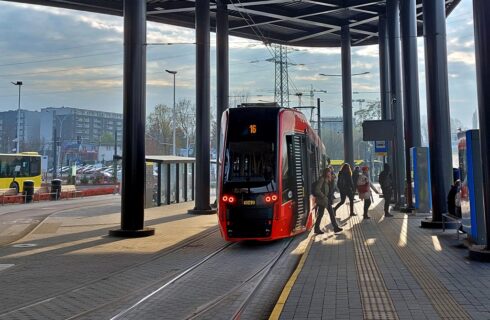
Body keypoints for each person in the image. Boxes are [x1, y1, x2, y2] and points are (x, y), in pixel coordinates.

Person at [313, 167, 343, 234]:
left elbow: (332, 188)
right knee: (331, 213)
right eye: (328, 172)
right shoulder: (322, 179)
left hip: (326, 200)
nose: (330, 173)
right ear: (325, 172)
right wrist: (323, 196)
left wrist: (333, 179)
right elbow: (317, 189)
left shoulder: (328, 179)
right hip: (323, 200)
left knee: (321, 214)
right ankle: (335, 227)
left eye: (330, 172)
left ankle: (316, 229)